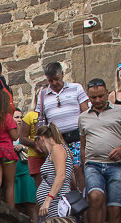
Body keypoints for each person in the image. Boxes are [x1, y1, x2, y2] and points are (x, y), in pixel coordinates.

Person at [79, 77, 121, 223]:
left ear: (107, 93)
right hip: (93, 164)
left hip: (116, 166)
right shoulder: (83, 116)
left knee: (114, 209)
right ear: (88, 96)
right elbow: (83, 144)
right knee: (94, 197)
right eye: (93, 97)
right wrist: (84, 164)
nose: (97, 100)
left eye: (101, 96)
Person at [34, 62, 88, 190]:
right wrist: (38, 139)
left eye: (56, 79)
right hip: (57, 139)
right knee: (62, 170)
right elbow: (40, 118)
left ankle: (82, 196)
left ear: (62, 75)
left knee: (77, 167)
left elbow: (85, 112)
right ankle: (70, 199)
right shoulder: (43, 95)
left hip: (76, 136)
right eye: (50, 80)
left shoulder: (76, 88)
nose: (54, 83)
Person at [34, 123, 74, 221]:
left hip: (56, 203)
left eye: (36, 142)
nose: (37, 147)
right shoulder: (54, 152)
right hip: (52, 206)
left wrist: (48, 199)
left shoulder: (57, 149)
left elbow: (61, 176)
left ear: (41, 138)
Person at [13, 109, 39, 220]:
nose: (19, 120)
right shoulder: (9, 135)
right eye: (16, 117)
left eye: (21, 117)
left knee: (30, 204)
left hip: (27, 172)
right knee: (16, 206)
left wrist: (23, 147)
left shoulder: (26, 137)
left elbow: (35, 151)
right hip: (14, 173)